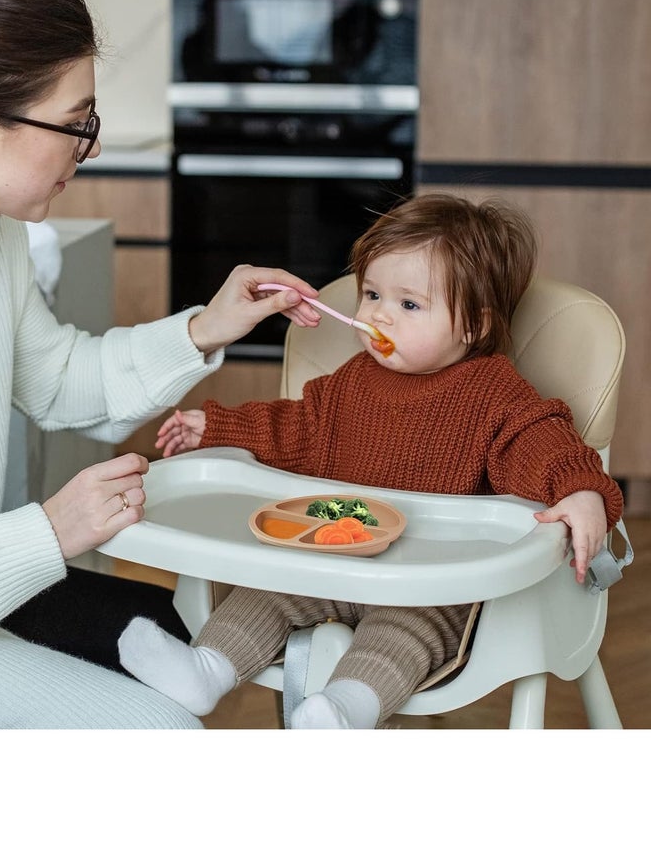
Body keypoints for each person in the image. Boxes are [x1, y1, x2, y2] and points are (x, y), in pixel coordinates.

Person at [0, 0, 321, 730]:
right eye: (76, 124)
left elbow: (58, 377)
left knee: (169, 648)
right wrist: (48, 533)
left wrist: (208, 325)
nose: (90, 148)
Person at [118, 193, 625, 730]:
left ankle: (345, 709)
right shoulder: (354, 381)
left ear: (473, 327)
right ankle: (207, 669)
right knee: (262, 594)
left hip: (426, 586)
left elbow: (542, 442)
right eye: (372, 293)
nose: (378, 314)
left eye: (409, 305)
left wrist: (580, 490)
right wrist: (216, 427)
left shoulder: (495, 394)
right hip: (329, 561)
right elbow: (296, 428)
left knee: (403, 634)